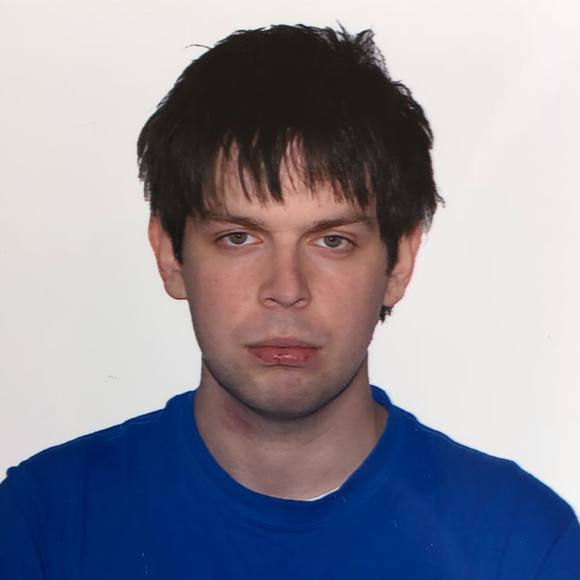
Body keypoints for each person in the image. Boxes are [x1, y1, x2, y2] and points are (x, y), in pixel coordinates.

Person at [0, 23, 578, 579]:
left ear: (398, 263)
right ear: (171, 255)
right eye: (239, 237)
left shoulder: (523, 544)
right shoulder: (40, 523)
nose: (285, 289)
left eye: (332, 241)